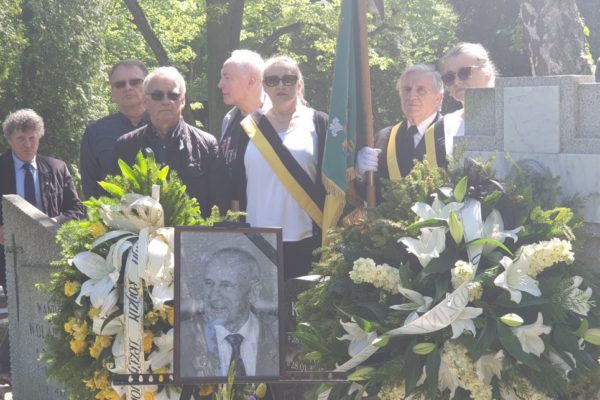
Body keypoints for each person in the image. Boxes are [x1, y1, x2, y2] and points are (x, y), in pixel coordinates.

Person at [0, 109, 86, 371]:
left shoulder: (57, 168)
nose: (28, 144)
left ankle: (49, 367)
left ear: (40, 137)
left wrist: (52, 223)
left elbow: (77, 209)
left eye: (32, 138)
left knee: (50, 311)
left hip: (50, 252)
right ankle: (18, 369)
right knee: (19, 310)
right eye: (21, 138)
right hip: (9, 254)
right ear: (9, 139)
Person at [233, 55, 328, 280]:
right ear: (264, 86)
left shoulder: (319, 123)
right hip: (258, 239)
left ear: (299, 84)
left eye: (288, 79)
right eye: (272, 80)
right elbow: (237, 185)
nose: (281, 85)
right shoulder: (249, 127)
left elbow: (333, 180)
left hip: (306, 239)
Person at [113, 66, 223, 217]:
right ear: (146, 101)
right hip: (141, 231)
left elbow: (219, 206)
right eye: (157, 95)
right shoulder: (126, 146)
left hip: (193, 231)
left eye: (173, 95)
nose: (166, 101)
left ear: (183, 100)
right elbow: (115, 202)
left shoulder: (207, 145)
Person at [179, 248, 279, 378]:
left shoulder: (278, 337)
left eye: (226, 285)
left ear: (253, 291)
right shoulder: (182, 338)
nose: (214, 295)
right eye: (209, 283)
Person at [355, 64, 446, 201]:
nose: (411, 96)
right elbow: (370, 196)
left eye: (421, 90)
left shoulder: (452, 133)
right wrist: (360, 175)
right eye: (407, 90)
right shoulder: (384, 137)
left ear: (438, 99)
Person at [80, 60, 149, 199]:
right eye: (120, 84)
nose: (128, 87)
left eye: (135, 82)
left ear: (148, 87)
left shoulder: (164, 127)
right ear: (112, 93)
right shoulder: (95, 132)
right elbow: (90, 187)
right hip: (111, 212)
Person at [218, 49, 271, 210]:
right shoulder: (229, 119)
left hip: (267, 219)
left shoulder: (276, 121)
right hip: (232, 220)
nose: (220, 85)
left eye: (227, 78)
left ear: (251, 81)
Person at [439, 42, 497, 156]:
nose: (456, 81)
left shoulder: (516, 117)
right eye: (449, 77)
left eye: (465, 72)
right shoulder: (442, 127)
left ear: (487, 73)